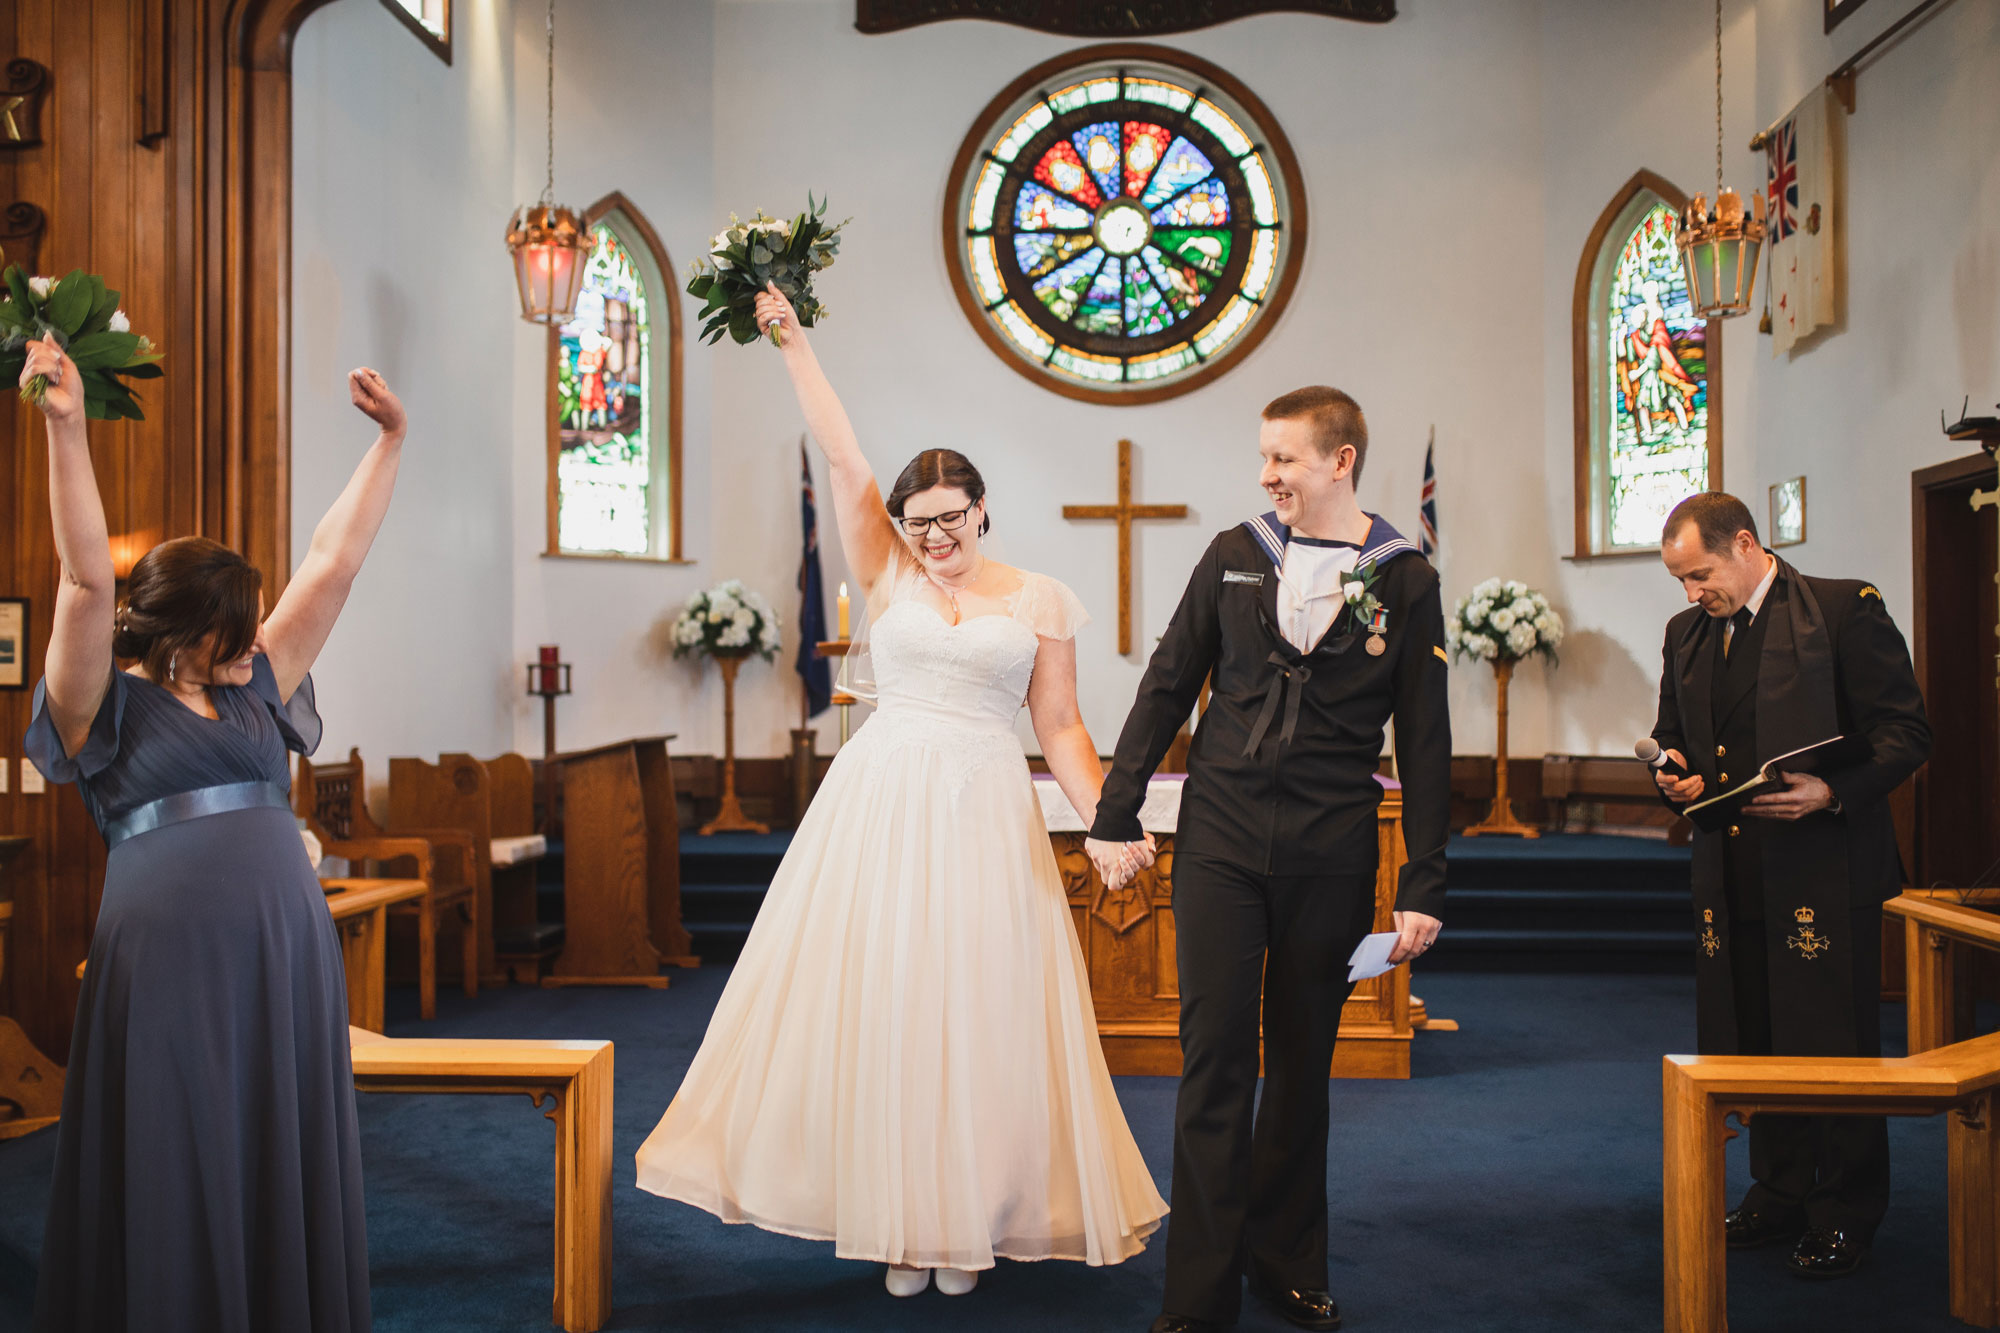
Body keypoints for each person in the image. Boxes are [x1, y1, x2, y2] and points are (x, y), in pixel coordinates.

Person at [635, 284, 1168, 1297]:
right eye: (916, 522)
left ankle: (962, 1216)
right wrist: (793, 342)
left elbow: (1057, 725)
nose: (931, 537)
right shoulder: (885, 572)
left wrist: (1111, 816)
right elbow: (846, 460)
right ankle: (895, 1218)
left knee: (975, 1009)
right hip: (879, 806)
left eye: (948, 519)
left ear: (981, 510)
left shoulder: (1040, 598)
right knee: (888, 1001)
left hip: (981, 810)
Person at [22, 337, 411, 1331]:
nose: (254, 641)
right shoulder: (97, 703)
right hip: (167, 961)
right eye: (231, 628)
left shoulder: (256, 684)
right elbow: (81, 583)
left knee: (271, 1141)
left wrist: (389, 444)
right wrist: (65, 426)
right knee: (174, 1137)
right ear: (182, 626)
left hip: (280, 951)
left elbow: (334, 562)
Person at [1086, 387, 1450, 1333]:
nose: (1266, 476)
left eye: (1284, 458)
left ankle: (1287, 1261)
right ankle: (1197, 1297)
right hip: (1221, 842)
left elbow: (1426, 735)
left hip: (1331, 851)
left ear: (1341, 461)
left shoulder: (1404, 575)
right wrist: (1114, 806)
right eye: (1264, 457)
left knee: (1300, 1063)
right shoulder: (1236, 552)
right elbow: (1169, 680)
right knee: (1212, 1064)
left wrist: (1422, 879)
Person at [1650, 491, 1930, 1278]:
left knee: (1831, 1042)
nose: (1690, 594)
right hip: (1733, 872)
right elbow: (1674, 735)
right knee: (1754, 1032)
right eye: (1678, 580)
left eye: (1699, 573)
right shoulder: (1686, 633)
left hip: (1824, 867)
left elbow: (1907, 734)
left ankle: (1845, 1209)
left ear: (1747, 544)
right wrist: (1675, 775)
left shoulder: (1843, 611)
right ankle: (1777, 1190)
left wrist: (1831, 792)